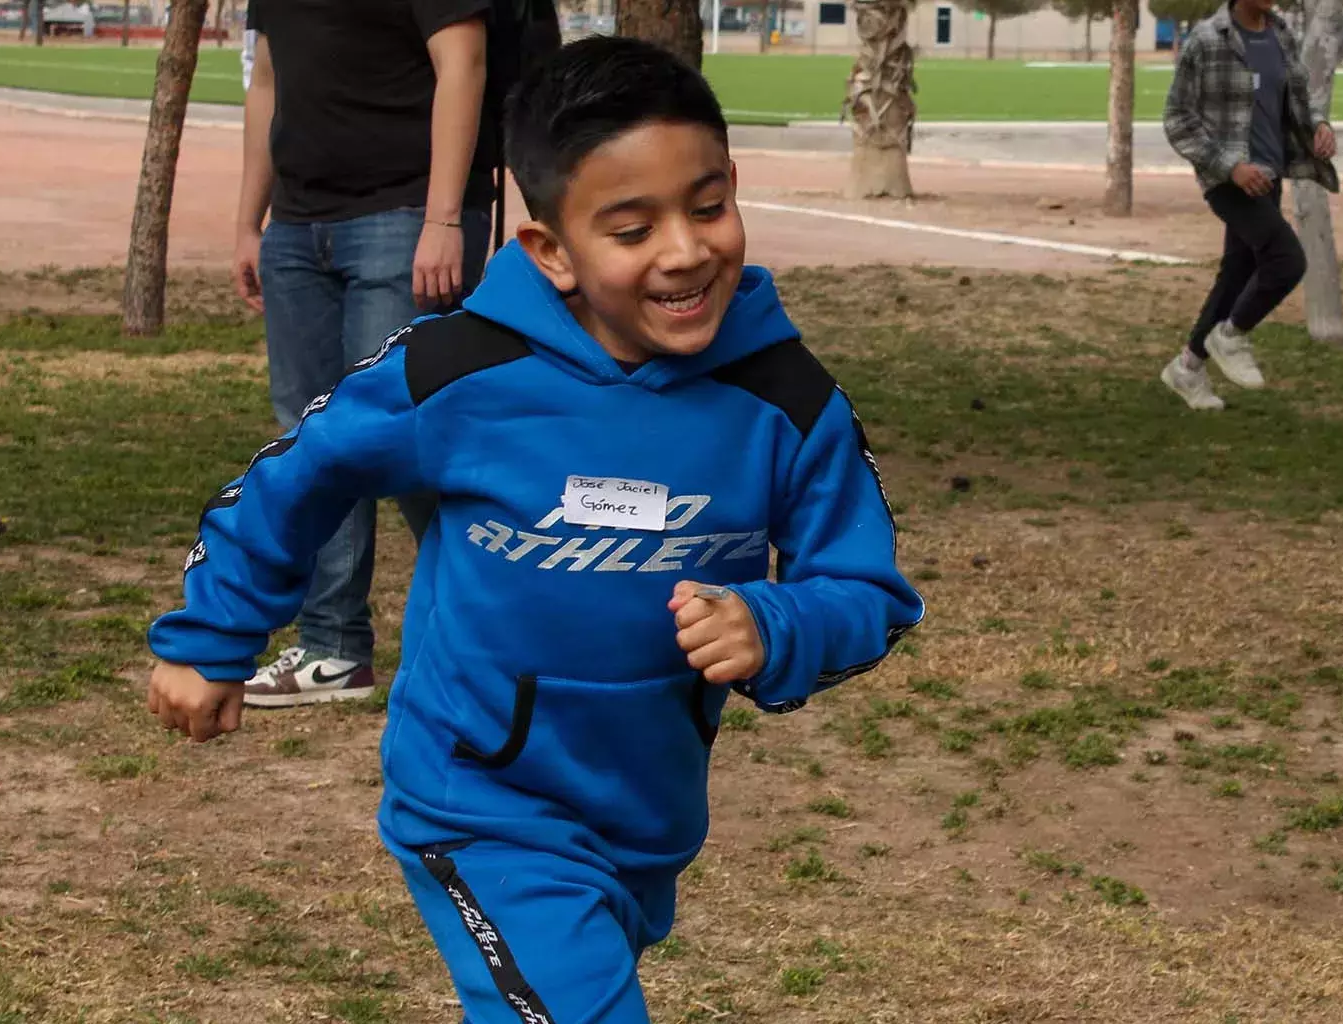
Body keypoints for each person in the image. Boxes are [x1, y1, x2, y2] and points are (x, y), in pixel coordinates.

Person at [144, 37, 926, 1022]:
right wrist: (213, 634)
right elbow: (301, 470)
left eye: (709, 205)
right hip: (478, 799)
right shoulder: (459, 374)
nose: (685, 250)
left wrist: (778, 625)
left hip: (644, 815)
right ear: (550, 249)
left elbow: (871, 594)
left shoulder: (788, 401)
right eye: (632, 228)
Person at [232, 0, 498, 707]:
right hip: (295, 225)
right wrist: (248, 221)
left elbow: (463, 63)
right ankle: (332, 647)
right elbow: (268, 84)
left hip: (405, 215)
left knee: (408, 430)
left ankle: (498, 621)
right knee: (314, 436)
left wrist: (445, 218)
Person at [1158, 0, 1340, 412]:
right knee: (1287, 260)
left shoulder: (1280, 34)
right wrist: (1231, 167)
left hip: (1269, 177)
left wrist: (1319, 125)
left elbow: (1300, 96)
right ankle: (1231, 335)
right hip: (1229, 180)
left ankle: (1187, 368)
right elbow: (1176, 119)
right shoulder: (1206, 41)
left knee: (1238, 273)